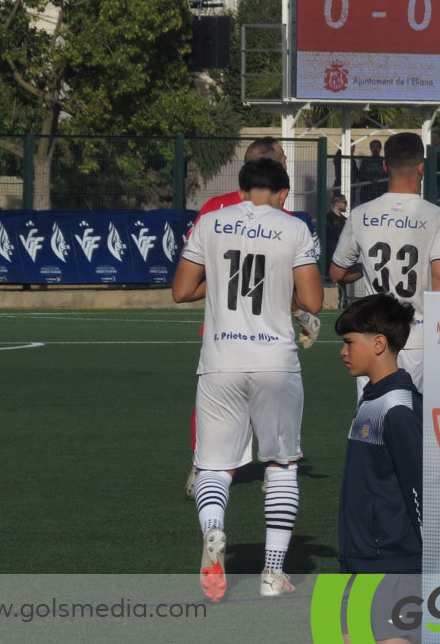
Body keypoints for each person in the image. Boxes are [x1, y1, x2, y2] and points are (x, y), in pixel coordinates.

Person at [172, 157, 324, 601]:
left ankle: (214, 530)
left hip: (220, 361)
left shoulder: (212, 222)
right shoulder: (293, 227)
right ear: (283, 195)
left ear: (239, 193)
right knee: (280, 465)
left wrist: (218, 282)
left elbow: (181, 290)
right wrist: (287, 293)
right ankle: (272, 574)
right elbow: (312, 301)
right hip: (275, 362)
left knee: (215, 466)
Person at [182, 137, 320, 501]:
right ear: (278, 178)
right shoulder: (287, 220)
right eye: (284, 160)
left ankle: (205, 475)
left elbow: (186, 285)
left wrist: (225, 279)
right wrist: (302, 313)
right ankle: (272, 486)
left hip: (222, 338)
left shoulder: (212, 212)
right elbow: (301, 294)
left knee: (217, 437)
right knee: (280, 459)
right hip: (271, 346)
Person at [329, 132, 440, 391]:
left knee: (373, 420)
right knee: (411, 418)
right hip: (417, 336)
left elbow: (336, 273)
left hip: (372, 338)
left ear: (385, 165)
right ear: (421, 168)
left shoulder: (360, 214)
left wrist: (364, 269)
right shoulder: (439, 217)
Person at [334, 294, 422, 643]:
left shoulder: (399, 407)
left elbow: (421, 489)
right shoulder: (371, 397)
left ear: (379, 344)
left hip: (391, 562)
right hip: (356, 555)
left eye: (349, 342)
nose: (343, 352)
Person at [324, 194, 350, 308]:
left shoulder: (344, 220)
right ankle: (330, 301)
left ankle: (343, 300)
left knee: (342, 275)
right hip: (330, 252)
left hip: (342, 252)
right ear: (336, 203)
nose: (346, 205)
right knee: (330, 275)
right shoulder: (328, 217)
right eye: (343, 202)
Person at [356, 139, 387, 205]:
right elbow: (361, 175)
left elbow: (388, 175)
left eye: (377, 147)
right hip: (367, 193)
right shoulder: (365, 161)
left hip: (381, 192)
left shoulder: (384, 161)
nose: (375, 149)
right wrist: (370, 179)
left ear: (380, 148)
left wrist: (379, 179)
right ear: (370, 148)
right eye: (373, 147)